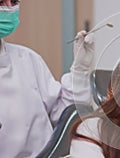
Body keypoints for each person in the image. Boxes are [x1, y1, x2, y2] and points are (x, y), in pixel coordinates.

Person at [0, 0, 94, 157]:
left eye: (14, 1)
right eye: (1, 2)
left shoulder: (27, 59)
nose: (10, 8)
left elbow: (65, 117)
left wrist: (80, 71)